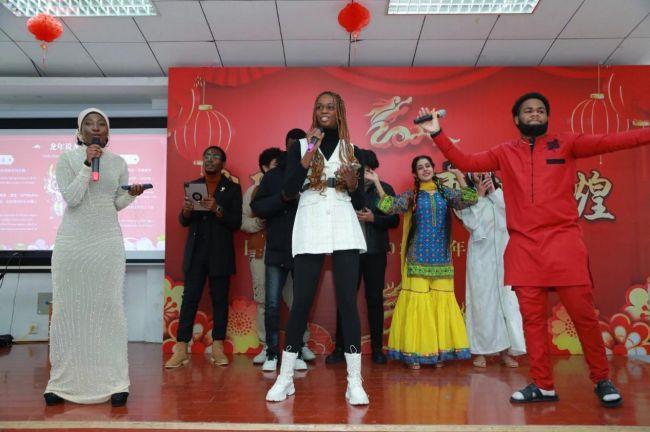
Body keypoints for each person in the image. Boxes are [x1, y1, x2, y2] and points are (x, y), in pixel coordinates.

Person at [422, 92, 650, 407]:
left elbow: (612, 141)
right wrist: (437, 133)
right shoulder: (505, 152)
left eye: (541, 110)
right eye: (528, 110)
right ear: (516, 119)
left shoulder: (566, 143)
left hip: (564, 244)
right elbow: (467, 162)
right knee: (532, 320)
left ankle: (602, 379)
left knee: (584, 317)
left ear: (547, 117)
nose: (535, 114)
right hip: (524, 247)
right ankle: (543, 385)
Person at [265, 91, 369, 405]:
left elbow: (360, 202)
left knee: (348, 303)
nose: (324, 111)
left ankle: (354, 382)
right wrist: (310, 148)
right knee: (301, 302)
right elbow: (288, 189)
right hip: (310, 220)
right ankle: (285, 378)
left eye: (330, 107)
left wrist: (353, 184)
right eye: (320, 106)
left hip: (343, 221)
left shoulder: (352, 150)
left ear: (340, 113)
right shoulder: (300, 145)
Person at [44, 108, 145, 407]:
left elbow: (114, 203)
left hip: (106, 243)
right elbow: (73, 198)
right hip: (73, 243)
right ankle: (60, 382)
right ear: (80, 131)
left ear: (108, 131)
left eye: (101, 123)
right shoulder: (67, 159)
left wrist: (132, 194)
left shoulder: (118, 162)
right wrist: (87, 164)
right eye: (89, 123)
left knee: (109, 309)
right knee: (67, 310)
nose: (95, 127)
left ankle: (116, 382)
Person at [367, 156, 477, 369]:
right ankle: (415, 354)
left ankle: (438, 352)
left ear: (433, 169)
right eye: (420, 168)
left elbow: (470, 199)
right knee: (419, 307)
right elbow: (389, 206)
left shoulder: (445, 193)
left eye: (428, 166)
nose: (425, 169)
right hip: (417, 260)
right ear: (415, 174)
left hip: (442, 260)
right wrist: (377, 182)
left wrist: (459, 176)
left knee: (439, 306)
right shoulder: (413, 195)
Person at [165, 146, 242, 369]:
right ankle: (181, 349)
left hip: (220, 253)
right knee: (189, 300)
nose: (209, 160)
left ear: (223, 163)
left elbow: (236, 222)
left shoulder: (232, 188)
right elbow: (184, 221)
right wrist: (186, 211)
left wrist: (217, 208)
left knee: (220, 301)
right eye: (206, 156)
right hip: (196, 253)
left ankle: (217, 347)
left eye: (215, 157)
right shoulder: (195, 186)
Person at [326, 149, 399, 365]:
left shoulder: (384, 188)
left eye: (368, 169)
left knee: (375, 299)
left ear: (373, 169)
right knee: (345, 299)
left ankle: (377, 349)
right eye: (361, 169)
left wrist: (373, 218)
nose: (364, 173)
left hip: (375, 252)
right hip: (349, 252)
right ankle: (340, 348)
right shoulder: (344, 188)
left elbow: (394, 220)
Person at [251, 132, 314, 372]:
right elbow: (257, 207)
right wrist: (283, 198)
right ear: (286, 147)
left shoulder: (314, 173)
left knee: (300, 303)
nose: (296, 148)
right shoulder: (273, 175)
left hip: (305, 247)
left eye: (302, 144)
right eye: (292, 145)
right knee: (272, 304)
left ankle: (295, 350)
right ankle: (271, 352)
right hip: (277, 247)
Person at [454, 172, 525, 368]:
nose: (481, 175)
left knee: (506, 304)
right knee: (481, 304)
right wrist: (479, 195)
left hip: (504, 260)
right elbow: (471, 224)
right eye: (476, 173)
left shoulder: (501, 196)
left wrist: (493, 193)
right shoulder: (467, 199)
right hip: (481, 262)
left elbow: (513, 216)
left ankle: (506, 351)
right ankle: (479, 351)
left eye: (484, 171)